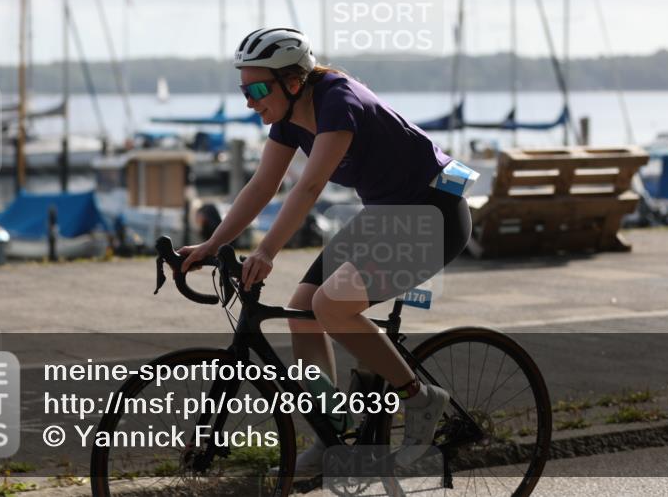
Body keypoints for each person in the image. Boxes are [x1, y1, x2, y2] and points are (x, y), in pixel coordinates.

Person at [178, 27, 475, 475]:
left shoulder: (339, 101)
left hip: (435, 212)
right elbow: (264, 184)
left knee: (330, 305)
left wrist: (267, 252)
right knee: (303, 311)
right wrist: (213, 244)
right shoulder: (288, 117)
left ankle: (420, 398)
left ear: (293, 82)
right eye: (243, 89)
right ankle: (330, 434)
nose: (248, 100)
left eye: (257, 89)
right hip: (387, 214)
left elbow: (310, 186)